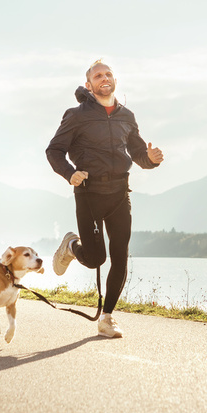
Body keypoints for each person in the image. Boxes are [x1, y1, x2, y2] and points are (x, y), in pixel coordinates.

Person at [46, 59, 164, 338]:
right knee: (96, 258)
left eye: (108, 73)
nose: (104, 78)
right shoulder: (76, 115)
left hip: (120, 193)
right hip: (89, 193)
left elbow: (137, 153)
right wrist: (69, 173)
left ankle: (107, 318)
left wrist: (150, 160)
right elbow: (54, 150)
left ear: (114, 80)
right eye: (98, 75)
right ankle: (72, 246)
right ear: (89, 85)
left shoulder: (127, 116)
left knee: (120, 256)